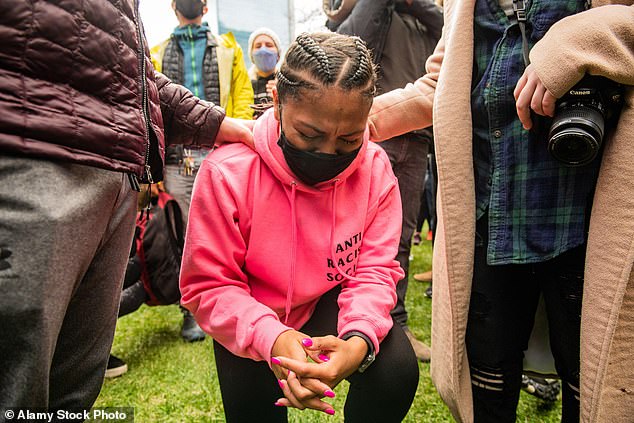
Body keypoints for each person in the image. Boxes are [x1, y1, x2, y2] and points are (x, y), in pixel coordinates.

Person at [368, 0, 634, 422]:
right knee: (485, 378)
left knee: (591, 382)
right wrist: (349, 120)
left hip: (584, 221)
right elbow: (438, 85)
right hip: (488, 220)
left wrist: (575, 43)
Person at [0, 0, 252, 413]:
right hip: (35, 155)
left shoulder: (208, 42)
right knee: (19, 386)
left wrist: (218, 124)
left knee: (73, 387)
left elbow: (136, 76)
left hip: (117, 173)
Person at [180, 32, 419, 421]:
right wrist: (271, 336)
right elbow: (209, 285)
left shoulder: (375, 168)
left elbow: (374, 270)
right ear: (275, 101)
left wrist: (359, 340)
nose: (328, 153)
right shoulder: (227, 172)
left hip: (328, 303)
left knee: (395, 369)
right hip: (249, 311)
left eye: (348, 139)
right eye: (309, 135)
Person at [325, 0, 443, 362]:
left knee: (400, 237)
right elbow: (354, 39)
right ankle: (341, 318)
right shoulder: (365, 11)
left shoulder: (426, 19)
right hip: (374, 132)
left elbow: (451, 36)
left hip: (418, 136)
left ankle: (396, 321)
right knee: (352, 235)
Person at [150, 0, 254, 342]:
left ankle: (233, 304)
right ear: (173, 6)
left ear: (206, 7)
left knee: (228, 232)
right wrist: (153, 168)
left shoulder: (229, 49)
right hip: (178, 160)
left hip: (220, 158)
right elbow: (151, 109)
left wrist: (238, 151)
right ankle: (191, 310)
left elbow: (241, 99)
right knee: (183, 236)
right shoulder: (155, 52)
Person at [248, 27, 282, 117]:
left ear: (278, 55)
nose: (263, 50)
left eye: (269, 45)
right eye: (258, 46)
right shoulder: (244, 86)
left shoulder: (287, 83)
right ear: (252, 56)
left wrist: (283, 95)